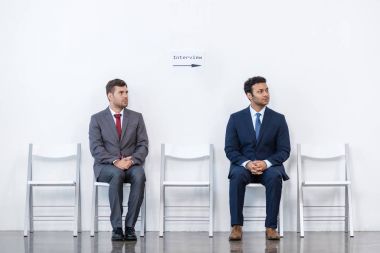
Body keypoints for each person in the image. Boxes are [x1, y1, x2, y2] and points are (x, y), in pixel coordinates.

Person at [225, 76, 290, 240]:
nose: (266, 94)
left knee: (276, 177)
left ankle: (271, 227)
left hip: (269, 167)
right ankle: (236, 226)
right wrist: (246, 164)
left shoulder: (278, 119)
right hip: (244, 166)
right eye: (260, 91)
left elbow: (284, 150)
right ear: (249, 95)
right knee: (237, 175)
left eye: (267, 90)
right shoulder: (236, 118)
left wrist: (266, 163)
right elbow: (230, 149)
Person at [89, 79, 148, 241]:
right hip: (105, 167)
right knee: (117, 174)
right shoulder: (97, 119)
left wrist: (133, 160)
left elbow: (143, 145)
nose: (125, 96)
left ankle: (129, 227)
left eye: (126, 92)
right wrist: (115, 161)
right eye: (121, 93)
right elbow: (96, 148)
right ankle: (116, 227)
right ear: (110, 96)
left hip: (131, 164)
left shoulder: (136, 118)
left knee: (140, 174)